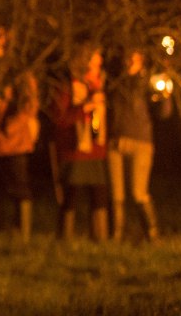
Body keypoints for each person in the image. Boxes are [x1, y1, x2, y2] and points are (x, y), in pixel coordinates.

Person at [106, 47, 171, 241]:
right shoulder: (115, 84)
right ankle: (115, 237)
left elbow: (163, 113)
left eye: (132, 59)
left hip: (140, 142)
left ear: (141, 60)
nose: (128, 63)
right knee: (116, 194)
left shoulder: (147, 83)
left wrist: (165, 96)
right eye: (126, 59)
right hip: (116, 143)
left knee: (138, 192)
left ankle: (153, 234)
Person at [0, 26, 39, 241]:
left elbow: (29, 102)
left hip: (13, 138)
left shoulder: (17, 69)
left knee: (19, 185)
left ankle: (22, 234)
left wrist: (11, 125)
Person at [51, 42, 108, 241]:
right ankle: (65, 239)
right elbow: (60, 118)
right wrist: (84, 107)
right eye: (95, 59)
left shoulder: (99, 86)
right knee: (71, 194)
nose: (100, 62)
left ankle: (99, 240)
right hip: (74, 149)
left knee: (99, 194)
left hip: (95, 148)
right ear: (85, 61)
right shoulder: (68, 86)